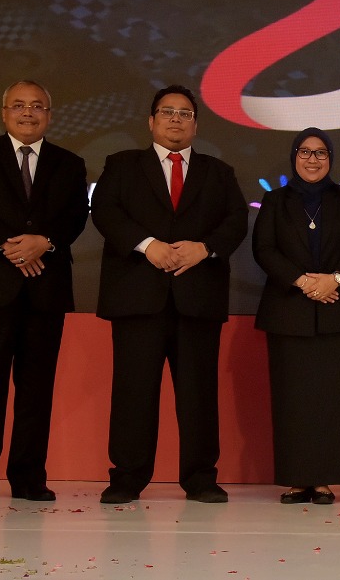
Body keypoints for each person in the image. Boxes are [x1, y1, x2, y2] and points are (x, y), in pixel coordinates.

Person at [92, 85, 248, 505]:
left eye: (185, 113)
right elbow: (105, 211)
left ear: (195, 124)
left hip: (197, 299)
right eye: (167, 112)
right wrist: (147, 245)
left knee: (198, 395)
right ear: (151, 121)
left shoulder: (219, 172)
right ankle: (127, 478)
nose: (176, 119)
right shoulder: (122, 165)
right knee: (134, 392)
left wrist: (205, 248)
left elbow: (236, 220)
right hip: (137, 298)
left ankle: (200, 478)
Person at [0, 80, 89, 503]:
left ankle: (28, 478)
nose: (28, 112)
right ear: (4, 112)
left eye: (38, 106)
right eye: (19, 105)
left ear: (49, 115)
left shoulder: (69, 163)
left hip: (45, 290)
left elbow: (77, 215)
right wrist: (9, 246)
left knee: (36, 389)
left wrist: (45, 241)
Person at [251, 128, 340, 504]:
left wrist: (334, 279)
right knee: (294, 400)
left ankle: (324, 480)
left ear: (330, 159)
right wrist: (304, 281)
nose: (313, 159)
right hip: (288, 313)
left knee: (335, 399)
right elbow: (264, 249)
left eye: (321, 153)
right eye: (305, 152)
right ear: (294, 157)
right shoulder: (274, 200)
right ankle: (297, 478)